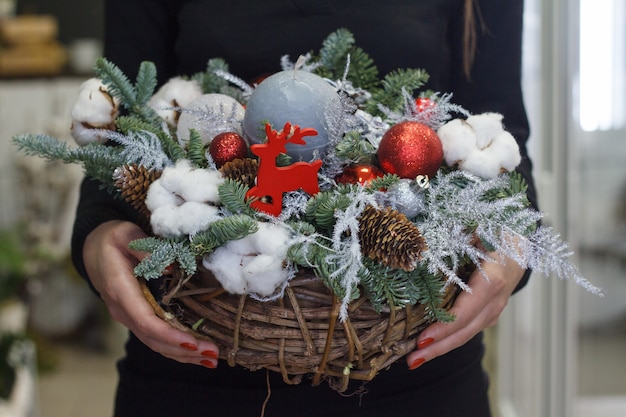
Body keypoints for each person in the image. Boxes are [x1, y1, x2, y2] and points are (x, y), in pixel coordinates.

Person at [72, 1, 536, 416]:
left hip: (413, 377)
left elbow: (501, 134)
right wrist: (98, 232)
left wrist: (511, 243)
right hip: (192, 371)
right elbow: (119, 118)